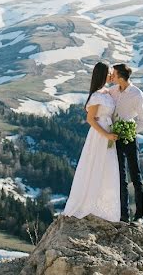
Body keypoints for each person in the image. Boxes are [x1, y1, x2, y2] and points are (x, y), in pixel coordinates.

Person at [61, 62, 121, 221]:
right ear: (102, 74)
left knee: (108, 169)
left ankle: (104, 209)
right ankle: (86, 204)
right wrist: (106, 135)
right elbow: (90, 119)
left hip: (109, 131)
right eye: (109, 73)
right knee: (94, 166)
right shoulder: (96, 96)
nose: (111, 75)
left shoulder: (108, 93)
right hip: (99, 134)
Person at [109, 63, 143, 222]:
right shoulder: (112, 91)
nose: (111, 76)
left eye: (114, 73)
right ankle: (123, 215)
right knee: (120, 177)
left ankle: (139, 216)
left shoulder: (137, 94)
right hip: (115, 139)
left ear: (120, 76)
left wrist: (128, 132)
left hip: (130, 138)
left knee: (136, 176)